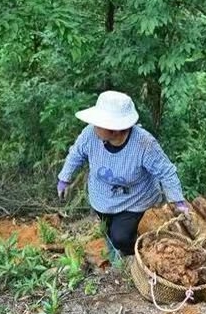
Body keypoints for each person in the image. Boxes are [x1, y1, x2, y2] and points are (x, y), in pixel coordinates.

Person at [57, 90, 189, 259]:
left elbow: (166, 171)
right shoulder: (90, 134)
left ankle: (136, 256)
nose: (94, 126)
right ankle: (116, 257)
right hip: (102, 196)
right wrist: (64, 178)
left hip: (135, 199)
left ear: (115, 129)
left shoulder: (143, 143)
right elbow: (76, 153)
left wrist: (177, 200)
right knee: (108, 231)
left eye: (100, 124)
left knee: (121, 238)